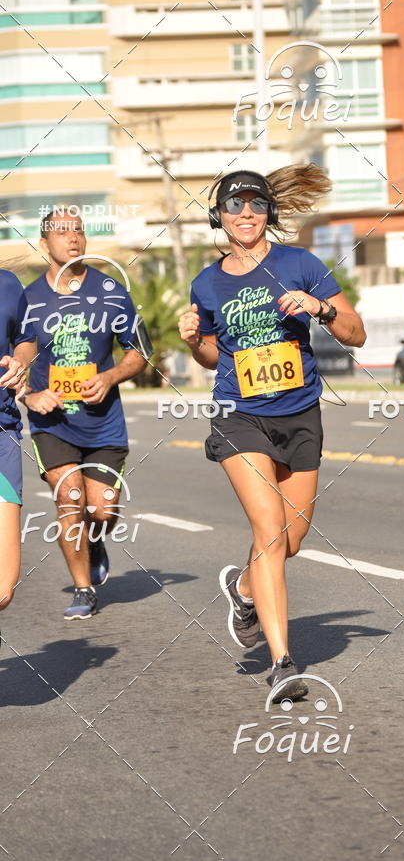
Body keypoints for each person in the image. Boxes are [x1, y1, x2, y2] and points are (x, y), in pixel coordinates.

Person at [178, 165, 366, 701]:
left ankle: (242, 590)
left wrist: (321, 308)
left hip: (301, 412)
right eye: (234, 206)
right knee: (269, 532)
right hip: (241, 415)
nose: (245, 214)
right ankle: (284, 663)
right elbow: (215, 356)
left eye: (255, 205)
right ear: (219, 216)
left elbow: (356, 334)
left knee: (293, 539)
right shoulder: (207, 283)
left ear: (269, 214)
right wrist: (194, 341)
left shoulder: (300, 264)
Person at [21, 208, 150, 620]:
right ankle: (83, 589)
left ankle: (94, 539)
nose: (72, 238)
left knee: (102, 510)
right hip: (52, 422)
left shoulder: (111, 290)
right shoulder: (27, 300)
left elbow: (139, 353)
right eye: (61, 232)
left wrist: (110, 377)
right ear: (44, 244)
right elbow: (13, 358)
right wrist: (28, 394)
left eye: (78, 230)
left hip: (103, 424)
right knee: (70, 495)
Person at [0, 269, 36, 635]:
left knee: (2, 587)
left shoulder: (8, 284)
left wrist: (20, 361)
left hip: (1, 432)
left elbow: (25, 339)